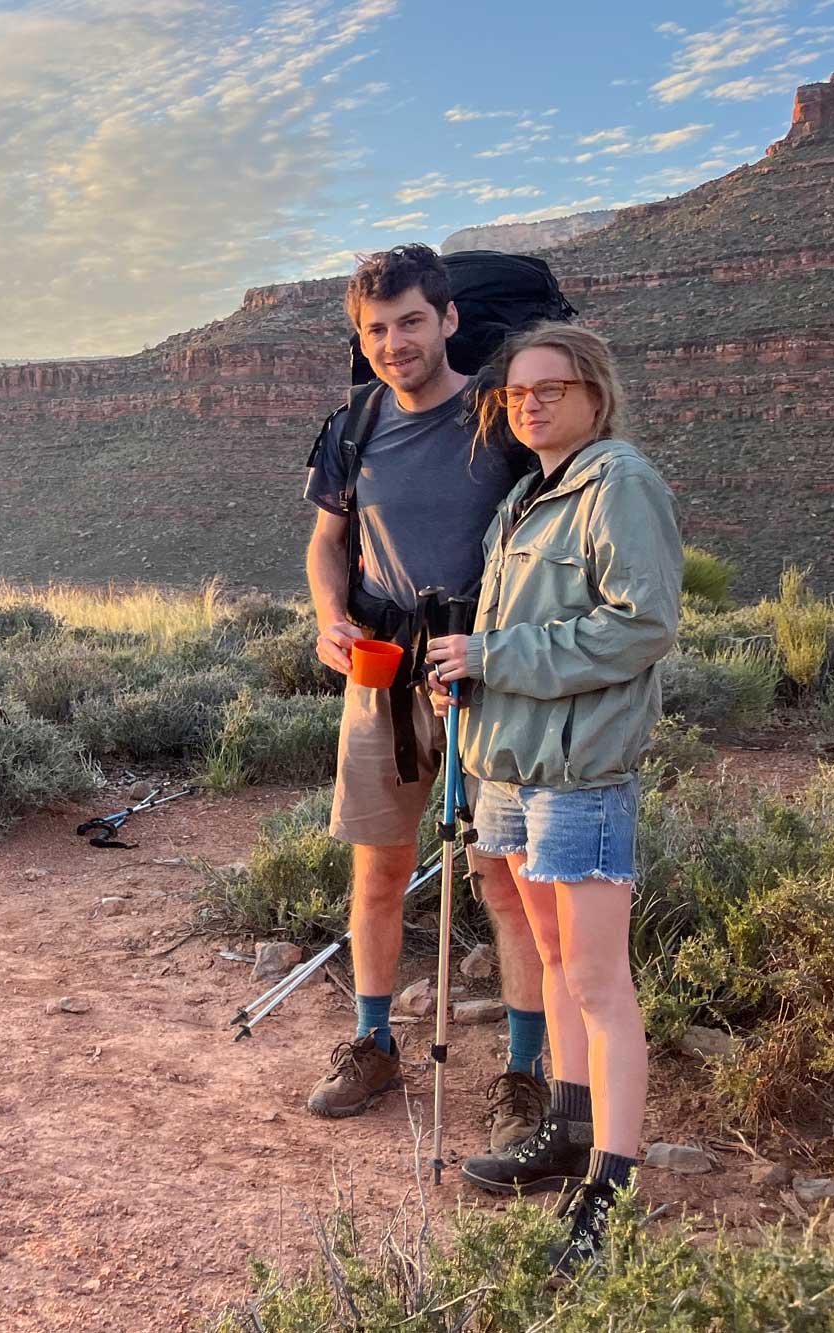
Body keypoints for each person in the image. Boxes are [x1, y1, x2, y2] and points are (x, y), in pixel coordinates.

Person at [423, 322, 680, 1270]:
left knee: (603, 982)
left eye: (551, 388)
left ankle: (611, 1188)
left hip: (580, 773)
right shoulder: (528, 498)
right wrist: (462, 674)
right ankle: (567, 1128)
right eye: (517, 393)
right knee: (558, 960)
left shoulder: (619, 484)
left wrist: (494, 658)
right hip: (508, 769)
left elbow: (641, 624)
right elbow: (512, 633)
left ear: (593, 392)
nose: (530, 403)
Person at [302, 244, 549, 1147]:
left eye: (411, 321)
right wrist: (331, 614)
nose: (394, 342)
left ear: (448, 320)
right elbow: (329, 541)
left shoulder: (499, 417)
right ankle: (372, 1042)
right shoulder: (353, 425)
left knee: (504, 879)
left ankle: (524, 1074)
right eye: (376, 329)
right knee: (377, 870)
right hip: (383, 672)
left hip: (487, 676)